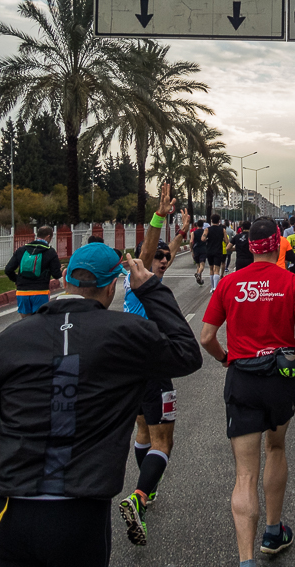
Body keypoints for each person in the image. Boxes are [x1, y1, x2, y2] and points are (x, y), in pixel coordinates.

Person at [0, 243, 202, 567]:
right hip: (81, 511)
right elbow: (187, 354)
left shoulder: (12, 338)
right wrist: (151, 289)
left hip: (10, 507)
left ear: (65, 278)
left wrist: (24, 428)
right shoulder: (128, 333)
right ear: (112, 285)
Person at [200, 218, 295, 567]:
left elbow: (206, 337)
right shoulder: (294, 283)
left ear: (250, 246)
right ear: (277, 244)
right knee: (276, 447)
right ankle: (273, 532)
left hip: (243, 378)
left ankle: (246, 560)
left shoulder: (229, 283)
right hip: (280, 379)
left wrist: (227, 359)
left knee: (244, 474)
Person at [119, 185, 189, 546]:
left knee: (144, 433)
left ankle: (149, 488)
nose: (162, 261)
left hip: (131, 370)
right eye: (157, 258)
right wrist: (159, 216)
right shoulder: (139, 279)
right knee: (165, 440)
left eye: (166, 258)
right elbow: (149, 250)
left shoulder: (155, 280)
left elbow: (167, 250)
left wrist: (181, 231)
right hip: (154, 367)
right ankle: (140, 496)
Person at [4, 224, 62, 317]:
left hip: (22, 292)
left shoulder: (22, 250)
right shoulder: (50, 252)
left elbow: (8, 270)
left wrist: (17, 280)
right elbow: (56, 274)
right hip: (40, 292)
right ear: (48, 237)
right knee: (40, 322)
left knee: (26, 323)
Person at [203, 213, 227, 293]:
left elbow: (202, 238)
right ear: (219, 221)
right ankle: (216, 288)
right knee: (217, 269)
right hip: (218, 251)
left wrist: (207, 238)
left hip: (209, 250)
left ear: (211, 221)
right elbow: (226, 241)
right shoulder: (222, 230)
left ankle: (212, 287)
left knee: (211, 269)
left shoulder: (207, 229)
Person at [190, 218, 207, 285]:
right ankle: (199, 274)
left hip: (196, 249)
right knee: (202, 264)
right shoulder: (205, 232)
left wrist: (191, 249)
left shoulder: (193, 233)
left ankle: (199, 279)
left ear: (196, 225)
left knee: (198, 265)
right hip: (203, 249)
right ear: (203, 225)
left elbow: (191, 241)